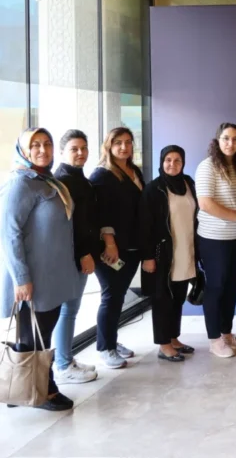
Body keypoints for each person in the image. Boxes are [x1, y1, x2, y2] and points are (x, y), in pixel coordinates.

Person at [0, 128, 80, 411]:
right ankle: (43, 390)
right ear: (23, 150)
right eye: (35, 145)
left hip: (52, 277)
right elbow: (8, 235)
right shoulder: (19, 183)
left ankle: (22, 388)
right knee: (34, 336)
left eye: (47, 144)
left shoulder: (46, 180)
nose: (43, 150)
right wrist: (22, 279)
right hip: (33, 279)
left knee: (40, 334)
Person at [90, 127, 145, 370]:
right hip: (110, 250)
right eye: (118, 143)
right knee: (111, 296)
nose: (124, 147)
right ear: (109, 146)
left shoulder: (134, 171)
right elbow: (100, 214)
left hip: (131, 247)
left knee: (119, 296)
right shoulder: (102, 175)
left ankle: (111, 340)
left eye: (128, 142)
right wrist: (110, 243)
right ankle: (105, 348)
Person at [139, 146, 198, 362]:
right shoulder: (154, 189)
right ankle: (164, 345)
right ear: (162, 162)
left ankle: (173, 338)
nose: (172, 164)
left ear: (183, 163)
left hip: (186, 249)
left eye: (177, 160)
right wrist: (147, 256)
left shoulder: (188, 183)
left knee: (178, 296)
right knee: (162, 298)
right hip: (163, 252)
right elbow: (145, 225)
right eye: (168, 160)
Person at [195, 123, 236, 359]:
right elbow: (205, 203)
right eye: (226, 138)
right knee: (215, 287)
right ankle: (214, 338)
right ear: (217, 140)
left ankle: (226, 333)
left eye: (235, 139)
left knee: (231, 287)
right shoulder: (207, 166)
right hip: (214, 238)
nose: (230, 143)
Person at [52, 130, 99, 385]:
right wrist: (84, 254)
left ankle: (66, 359)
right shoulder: (63, 181)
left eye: (84, 148)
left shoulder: (81, 179)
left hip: (81, 254)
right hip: (73, 257)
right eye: (74, 149)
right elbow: (72, 224)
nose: (80, 153)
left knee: (71, 310)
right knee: (68, 311)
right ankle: (63, 365)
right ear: (62, 152)